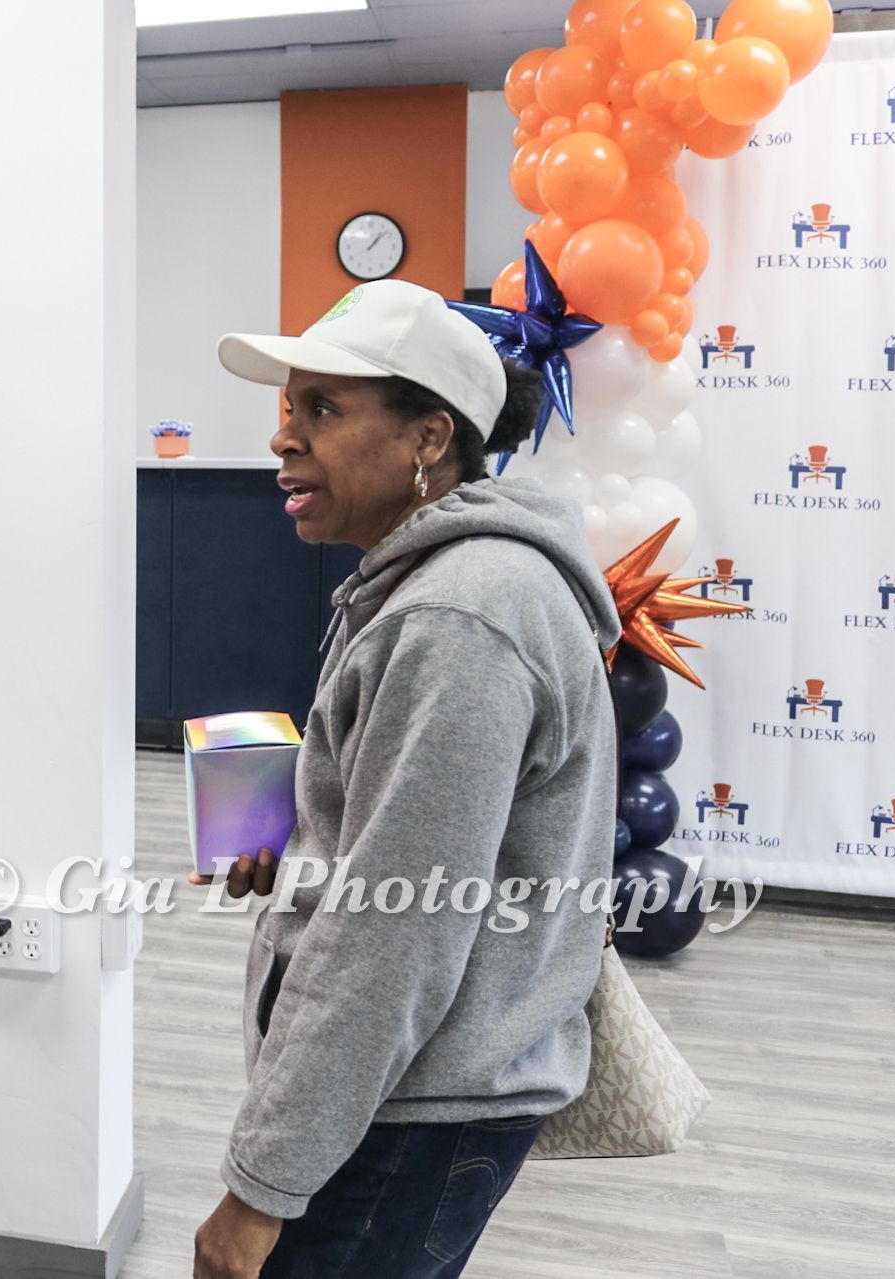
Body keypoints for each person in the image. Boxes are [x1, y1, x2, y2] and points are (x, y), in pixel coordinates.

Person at [191, 280, 621, 1279]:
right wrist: (306, 836)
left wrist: (259, 1188)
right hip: (401, 1094)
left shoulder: (459, 615)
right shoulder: (437, 584)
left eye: (323, 410)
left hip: (404, 1113)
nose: (282, 438)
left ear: (429, 437)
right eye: (287, 408)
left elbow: (395, 939)